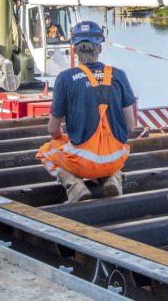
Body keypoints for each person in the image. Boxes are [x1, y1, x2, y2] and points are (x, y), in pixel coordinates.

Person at [36, 21, 137, 202]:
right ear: (99, 48)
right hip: (115, 159)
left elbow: (53, 130)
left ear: (75, 49)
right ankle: (112, 178)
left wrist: (62, 139)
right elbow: (131, 126)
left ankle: (75, 186)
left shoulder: (65, 78)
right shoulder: (119, 75)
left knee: (44, 152)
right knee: (109, 151)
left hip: (82, 163)